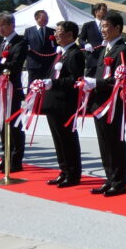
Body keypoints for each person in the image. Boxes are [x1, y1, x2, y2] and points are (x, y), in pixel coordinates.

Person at [83, 11, 126, 196]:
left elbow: (119, 80)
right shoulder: (105, 48)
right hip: (100, 103)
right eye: (102, 26)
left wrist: (96, 83)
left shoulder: (123, 50)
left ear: (118, 28)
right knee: (104, 144)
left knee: (115, 143)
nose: (103, 30)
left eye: (106, 26)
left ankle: (119, 181)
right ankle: (110, 178)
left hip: (114, 105)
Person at [43, 20, 85, 187]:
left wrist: (54, 83)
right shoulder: (60, 53)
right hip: (54, 103)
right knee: (58, 139)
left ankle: (73, 173)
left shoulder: (75, 54)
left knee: (67, 139)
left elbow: (75, 79)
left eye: (59, 32)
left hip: (65, 103)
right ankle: (64, 170)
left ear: (69, 34)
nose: (56, 35)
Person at [0, 12, 27, 172]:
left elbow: (15, 65)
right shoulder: (3, 43)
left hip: (12, 90)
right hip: (0, 89)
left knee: (14, 125)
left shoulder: (20, 42)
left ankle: (16, 159)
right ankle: (5, 157)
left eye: (2, 25)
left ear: (11, 25)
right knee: (2, 125)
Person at [24, 9, 56, 82]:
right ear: (36, 18)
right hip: (33, 64)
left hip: (48, 64)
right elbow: (24, 45)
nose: (45, 20)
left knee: (46, 86)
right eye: (43, 18)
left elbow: (56, 45)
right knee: (32, 86)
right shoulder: (29, 31)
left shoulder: (52, 31)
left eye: (47, 18)